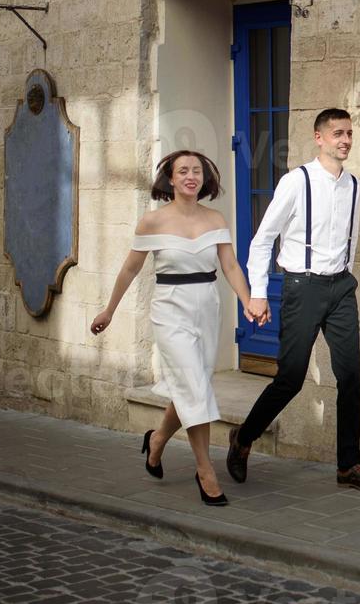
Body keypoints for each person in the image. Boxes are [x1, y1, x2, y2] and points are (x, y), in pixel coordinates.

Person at [90, 150, 264, 506]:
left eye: (196, 170)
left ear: (205, 178)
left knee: (189, 387)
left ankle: (156, 442)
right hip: (170, 309)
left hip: (207, 307)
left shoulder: (215, 219)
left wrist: (248, 301)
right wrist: (109, 310)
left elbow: (230, 266)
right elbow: (129, 270)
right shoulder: (152, 222)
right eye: (182, 171)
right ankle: (205, 470)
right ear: (170, 179)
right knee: (194, 389)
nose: (190, 176)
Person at [226, 108, 360, 492]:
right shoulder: (297, 182)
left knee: (351, 378)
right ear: (319, 138)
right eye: (337, 134)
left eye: (349, 134)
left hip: (341, 287)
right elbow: (263, 239)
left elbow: (353, 235)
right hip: (302, 287)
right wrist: (259, 294)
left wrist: (346, 276)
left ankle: (348, 465)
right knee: (291, 378)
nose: (345, 140)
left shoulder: (354, 185)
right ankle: (243, 438)